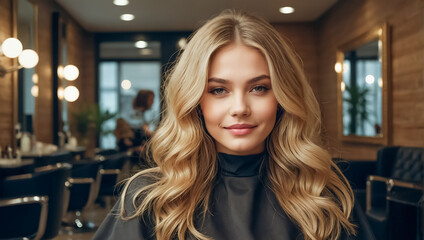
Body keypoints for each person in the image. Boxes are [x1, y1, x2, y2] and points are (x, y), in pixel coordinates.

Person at [93, 10, 356, 240]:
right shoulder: (149, 200)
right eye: (219, 90)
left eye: (259, 88)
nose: (240, 108)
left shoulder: (324, 196)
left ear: (282, 99)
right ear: (196, 102)